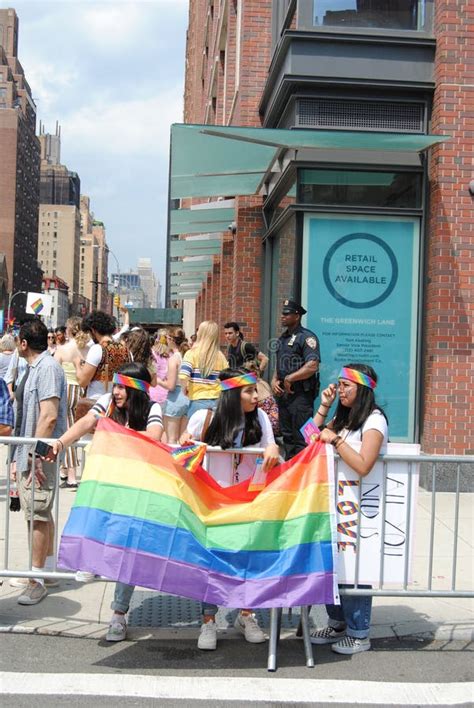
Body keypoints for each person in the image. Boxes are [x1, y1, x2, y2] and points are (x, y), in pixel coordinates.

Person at [48, 362, 164, 641]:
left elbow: (155, 436)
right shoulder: (106, 403)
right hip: (104, 484)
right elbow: (87, 421)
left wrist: (115, 434)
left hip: (137, 487)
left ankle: (118, 614)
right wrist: (60, 443)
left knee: (129, 551)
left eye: (123, 387)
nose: (117, 392)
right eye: (115, 386)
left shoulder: (152, 408)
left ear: (136, 389)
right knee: (92, 522)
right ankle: (89, 562)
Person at [180, 367, 280, 651]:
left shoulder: (260, 418)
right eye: (249, 391)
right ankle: (208, 620)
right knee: (212, 563)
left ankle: (247, 614)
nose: (256, 396)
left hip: (248, 501)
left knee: (246, 560)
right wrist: (186, 442)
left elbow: (270, 447)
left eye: (255, 390)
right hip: (212, 502)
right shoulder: (204, 417)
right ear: (233, 395)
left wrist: (271, 450)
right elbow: (182, 452)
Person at [310, 363, 388, 655]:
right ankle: (337, 622)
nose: (340, 390)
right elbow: (309, 437)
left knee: (356, 567)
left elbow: (364, 464)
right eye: (339, 384)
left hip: (360, 505)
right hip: (336, 502)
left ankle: (359, 632)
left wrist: (338, 440)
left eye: (346, 386)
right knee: (336, 563)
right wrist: (324, 406)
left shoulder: (374, 420)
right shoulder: (343, 418)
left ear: (362, 389)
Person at [13, 318, 67, 605]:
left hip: (40, 454)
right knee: (40, 512)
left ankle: (37, 579)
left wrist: (34, 455)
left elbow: (49, 416)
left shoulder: (46, 367)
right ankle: (45, 570)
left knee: (37, 514)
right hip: (33, 452)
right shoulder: (39, 366)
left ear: (23, 343)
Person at [271, 299, 320, 460]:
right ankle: (290, 472)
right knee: (287, 438)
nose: (282, 317)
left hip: (301, 396)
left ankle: (304, 472)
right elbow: (280, 365)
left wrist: (291, 378)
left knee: (303, 438)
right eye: (282, 313)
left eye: (287, 314)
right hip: (284, 397)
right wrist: (274, 380)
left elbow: (312, 366)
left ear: (297, 316)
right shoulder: (282, 338)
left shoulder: (306, 337)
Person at [53, 317, 90, 488]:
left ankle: (72, 475)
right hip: (83, 391)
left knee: (68, 432)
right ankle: (66, 470)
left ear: (69, 330)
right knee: (79, 431)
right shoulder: (88, 348)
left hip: (67, 390)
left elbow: (54, 372)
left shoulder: (63, 349)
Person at [76, 310, 130, 402]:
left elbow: (82, 382)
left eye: (89, 332)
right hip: (117, 403)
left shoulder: (97, 349)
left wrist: (77, 365)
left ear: (93, 330)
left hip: (97, 402)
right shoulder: (126, 351)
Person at [179, 320, 228, 418]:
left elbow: (183, 375)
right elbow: (227, 379)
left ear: (200, 333)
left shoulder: (191, 353)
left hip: (198, 401)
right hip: (218, 402)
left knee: (196, 433)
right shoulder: (221, 356)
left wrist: (184, 388)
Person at [156, 328, 189, 443]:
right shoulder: (187, 356)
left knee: (171, 440)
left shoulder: (173, 359)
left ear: (170, 339)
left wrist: (157, 380)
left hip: (175, 399)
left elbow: (171, 386)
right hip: (187, 398)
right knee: (182, 441)